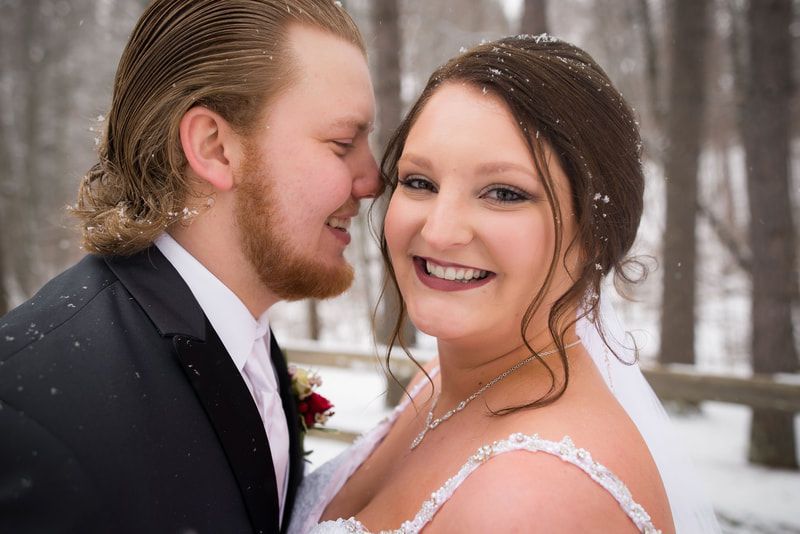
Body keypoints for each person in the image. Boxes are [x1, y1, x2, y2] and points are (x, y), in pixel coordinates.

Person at [289, 35, 720, 533]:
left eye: (504, 193)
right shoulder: (433, 383)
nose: (439, 230)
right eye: (419, 182)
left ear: (597, 233)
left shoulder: (539, 499)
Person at [0, 1, 378, 533]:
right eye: (343, 145)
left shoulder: (247, 345)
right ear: (215, 148)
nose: (373, 179)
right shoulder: (27, 409)